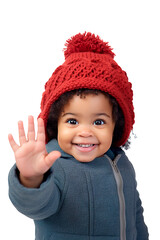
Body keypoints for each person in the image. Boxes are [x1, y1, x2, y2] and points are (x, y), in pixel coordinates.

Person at [8, 32, 149, 240]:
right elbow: (36, 206)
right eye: (72, 121)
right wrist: (31, 178)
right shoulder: (53, 167)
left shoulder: (122, 163)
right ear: (55, 123)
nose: (85, 132)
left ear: (116, 125)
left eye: (99, 122)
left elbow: (135, 215)